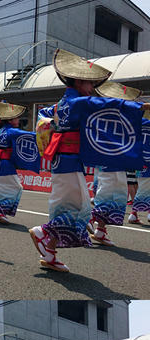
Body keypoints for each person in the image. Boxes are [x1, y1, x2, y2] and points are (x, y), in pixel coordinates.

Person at [30, 49, 112, 272]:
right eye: (89, 83)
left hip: (65, 160)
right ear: (78, 81)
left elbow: (45, 115)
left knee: (69, 206)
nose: (92, 88)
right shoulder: (77, 103)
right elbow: (109, 107)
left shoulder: (63, 103)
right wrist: (140, 107)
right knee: (77, 208)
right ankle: (43, 233)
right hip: (67, 161)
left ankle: (50, 253)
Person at [88, 81, 142, 246]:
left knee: (116, 196)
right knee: (108, 194)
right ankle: (90, 220)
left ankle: (100, 231)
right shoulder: (105, 113)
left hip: (116, 160)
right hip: (110, 160)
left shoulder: (118, 114)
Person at [0, 101, 26, 224]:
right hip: (5, 163)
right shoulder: (12, 131)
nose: (19, 120)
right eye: (17, 118)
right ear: (10, 120)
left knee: (0, 189)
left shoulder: (0, 131)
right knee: (16, 187)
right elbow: (30, 136)